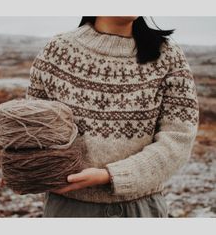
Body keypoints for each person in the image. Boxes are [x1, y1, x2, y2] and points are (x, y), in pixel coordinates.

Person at [26, 16, 199, 217]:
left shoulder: (168, 55)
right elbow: (34, 128)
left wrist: (112, 176)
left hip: (140, 208)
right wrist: (22, 167)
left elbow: (179, 138)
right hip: (69, 207)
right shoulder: (57, 51)